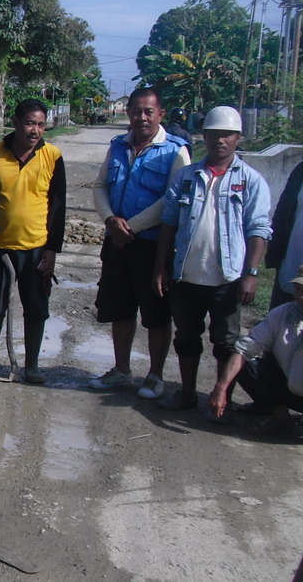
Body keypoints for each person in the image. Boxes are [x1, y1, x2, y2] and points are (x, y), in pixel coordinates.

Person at [154, 105, 271, 415]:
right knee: (186, 338)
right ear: (203, 137)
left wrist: (251, 273)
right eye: (214, 134)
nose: (220, 140)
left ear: (237, 138)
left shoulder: (250, 180)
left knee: (226, 342)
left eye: (227, 135)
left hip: (227, 280)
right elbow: (169, 223)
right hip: (186, 276)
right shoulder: (186, 177)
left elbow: (259, 229)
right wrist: (161, 267)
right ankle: (187, 394)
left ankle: (222, 402)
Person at [88, 88, 190, 398]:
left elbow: (172, 200)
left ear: (161, 114)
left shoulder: (176, 151)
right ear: (128, 112)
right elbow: (100, 185)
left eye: (148, 111)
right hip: (117, 243)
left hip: (152, 246)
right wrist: (109, 220)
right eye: (136, 111)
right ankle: (122, 370)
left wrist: (131, 226)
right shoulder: (118, 146)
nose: (141, 117)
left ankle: (155, 376)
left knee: (156, 313)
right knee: (119, 309)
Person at [0, 99, 65, 383]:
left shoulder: (52, 156)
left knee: (36, 308)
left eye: (41, 125)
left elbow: (58, 206)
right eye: (29, 123)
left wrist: (52, 250)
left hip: (36, 248)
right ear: (15, 122)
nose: (35, 130)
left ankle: (32, 366)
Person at [209, 264, 303, 436]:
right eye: (298, 289)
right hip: (290, 389)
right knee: (241, 360)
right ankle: (280, 416)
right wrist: (221, 386)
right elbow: (246, 348)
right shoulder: (281, 314)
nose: (301, 296)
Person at [265, 159, 303, 310]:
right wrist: (276, 256)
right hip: (291, 269)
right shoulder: (300, 171)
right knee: (281, 320)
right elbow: (282, 213)